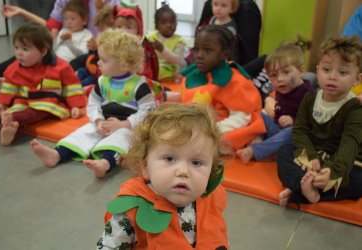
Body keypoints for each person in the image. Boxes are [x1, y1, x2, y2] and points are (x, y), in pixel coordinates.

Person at [97, 103, 228, 249]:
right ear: (145, 166)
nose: (183, 171)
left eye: (196, 162)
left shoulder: (210, 199)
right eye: (170, 159)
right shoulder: (130, 213)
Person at [30, 29, 156, 178]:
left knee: (122, 139)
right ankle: (57, 154)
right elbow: (93, 102)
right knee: (84, 132)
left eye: (103, 60)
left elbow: (147, 112)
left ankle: (105, 163)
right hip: (105, 122)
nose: (98, 62)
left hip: (129, 127)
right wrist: (98, 120)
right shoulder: (103, 81)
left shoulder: (139, 86)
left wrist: (124, 124)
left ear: (123, 64)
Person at [277, 36, 362, 206]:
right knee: (284, 151)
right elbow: (300, 130)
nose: (332, 77)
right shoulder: (309, 98)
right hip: (314, 157)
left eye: (343, 72)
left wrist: (333, 172)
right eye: (326, 69)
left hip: (343, 162)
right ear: (317, 70)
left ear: (357, 79)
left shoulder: (354, 109)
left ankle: (300, 191)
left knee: (359, 181)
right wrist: (309, 154)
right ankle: (304, 186)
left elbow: (349, 145)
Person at [0, 23, 87, 146]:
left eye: (25, 49)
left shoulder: (60, 67)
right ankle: (7, 131)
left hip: (47, 102)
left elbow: (72, 87)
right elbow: (9, 86)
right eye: (16, 48)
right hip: (23, 100)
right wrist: (2, 104)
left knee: (27, 115)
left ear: (43, 51)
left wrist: (76, 106)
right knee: (10, 113)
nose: (19, 53)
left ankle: (11, 120)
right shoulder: (15, 67)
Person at [179, 25, 265, 154]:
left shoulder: (235, 81)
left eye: (207, 50)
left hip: (228, 125)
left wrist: (212, 130)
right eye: (196, 49)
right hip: (205, 121)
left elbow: (242, 117)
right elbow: (189, 97)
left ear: (224, 54)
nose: (199, 55)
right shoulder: (199, 73)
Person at [0, 0, 119, 83]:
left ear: (84, 19)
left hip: (96, 52)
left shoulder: (110, 4)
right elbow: (50, 28)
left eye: (72, 19)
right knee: (31, 52)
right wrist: (22, 13)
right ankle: (3, 75)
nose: (68, 22)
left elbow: (117, 35)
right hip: (60, 56)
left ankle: (16, 80)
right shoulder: (64, 4)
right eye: (66, 19)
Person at [237, 38, 313, 163]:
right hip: (277, 131)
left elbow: (311, 123)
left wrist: (293, 121)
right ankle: (264, 145)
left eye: (286, 72)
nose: (280, 79)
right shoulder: (281, 89)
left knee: (292, 131)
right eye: (274, 75)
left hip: (293, 136)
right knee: (257, 113)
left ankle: (256, 150)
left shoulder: (308, 93)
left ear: (301, 71)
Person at [194, 0, 261, 66]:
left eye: (223, 5)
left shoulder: (231, 28)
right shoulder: (212, 18)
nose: (218, 8)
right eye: (215, 4)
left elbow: (232, 50)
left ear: (231, 9)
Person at [112, 4, 159, 81]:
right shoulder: (111, 48)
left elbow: (147, 75)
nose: (123, 31)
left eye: (128, 27)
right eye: (119, 27)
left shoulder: (142, 51)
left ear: (138, 31)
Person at [146, 3, 189, 81]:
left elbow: (176, 60)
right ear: (156, 25)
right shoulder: (151, 37)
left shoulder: (179, 41)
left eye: (172, 22)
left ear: (176, 23)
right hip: (153, 65)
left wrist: (163, 50)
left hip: (169, 68)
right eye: (164, 23)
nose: (169, 25)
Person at [76, 6, 114, 86]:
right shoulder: (100, 38)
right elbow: (92, 57)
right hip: (91, 68)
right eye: (100, 29)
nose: (100, 33)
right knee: (80, 71)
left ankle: (78, 87)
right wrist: (92, 49)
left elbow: (106, 58)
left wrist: (98, 48)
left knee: (88, 80)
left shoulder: (113, 42)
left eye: (103, 29)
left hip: (99, 73)